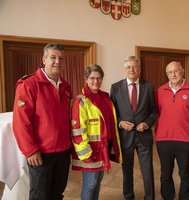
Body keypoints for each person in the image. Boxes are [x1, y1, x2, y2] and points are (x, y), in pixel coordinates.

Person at [12, 43, 72, 200]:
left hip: (63, 151)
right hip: (41, 153)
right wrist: (30, 150)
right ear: (44, 60)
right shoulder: (29, 84)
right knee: (40, 195)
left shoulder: (65, 87)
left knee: (57, 193)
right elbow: (21, 121)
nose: (57, 61)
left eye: (61, 58)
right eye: (53, 57)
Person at [71, 64, 122, 200]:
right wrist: (85, 154)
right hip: (90, 151)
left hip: (103, 148)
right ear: (86, 79)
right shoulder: (80, 101)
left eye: (99, 78)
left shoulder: (106, 98)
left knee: (97, 182)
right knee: (90, 184)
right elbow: (77, 131)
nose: (96, 82)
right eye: (92, 78)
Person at [110, 56, 158, 200]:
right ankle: (128, 196)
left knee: (147, 171)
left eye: (135, 67)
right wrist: (120, 123)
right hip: (125, 136)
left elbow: (154, 111)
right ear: (125, 69)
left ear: (140, 69)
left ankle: (149, 197)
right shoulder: (116, 87)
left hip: (144, 136)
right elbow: (112, 113)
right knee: (127, 171)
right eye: (129, 67)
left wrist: (147, 123)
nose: (132, 69)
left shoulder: (149, 87)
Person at [155, 61, 189, 200]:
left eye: (176, 71)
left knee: (185, 173)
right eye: (169, 72)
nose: (173, 74)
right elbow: (155, 113)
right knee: (165, 173)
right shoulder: (160, 91)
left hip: (184, 139)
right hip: (163, 139)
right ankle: (167, 197)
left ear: (182, 71)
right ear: (167, 74)